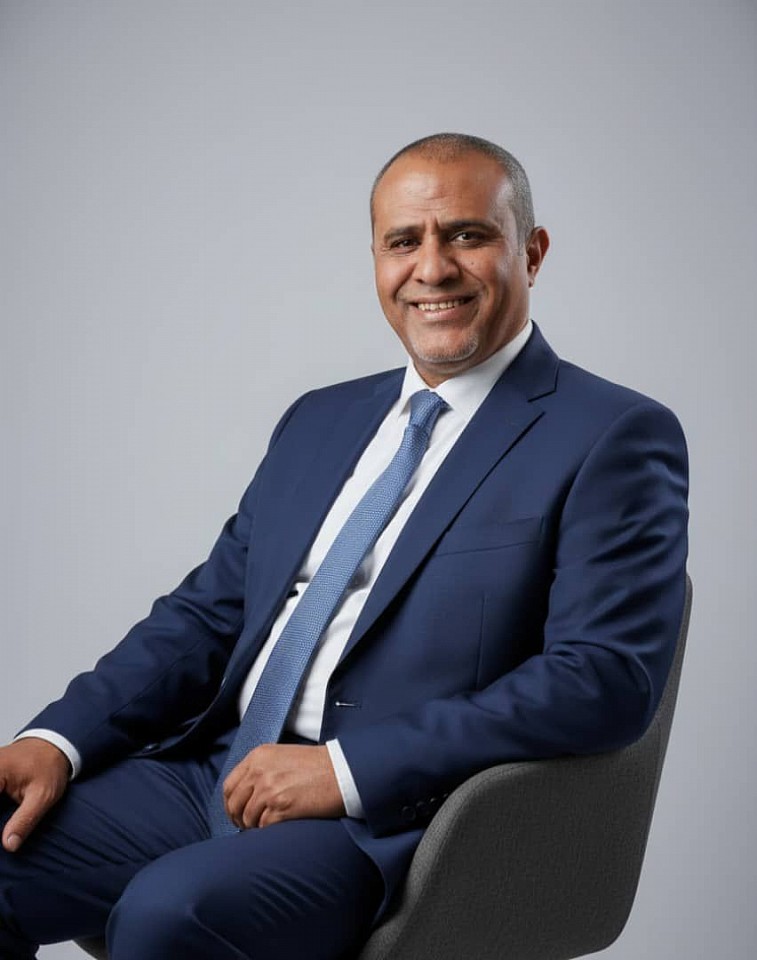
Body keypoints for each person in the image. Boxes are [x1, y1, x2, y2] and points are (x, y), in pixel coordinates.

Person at [0, 133, 689, 960]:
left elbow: (601, 679)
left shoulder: (610, 434)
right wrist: (57, 739)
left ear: (531, 253)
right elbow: (208, 614)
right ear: (376, 261)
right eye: (403, 241)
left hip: (393, 820)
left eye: (466, 235)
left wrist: (346, 769)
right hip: (218, 771)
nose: (431, 268)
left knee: (170, 912)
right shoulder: (318, 420)